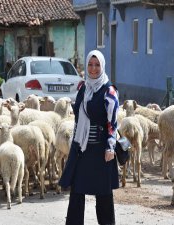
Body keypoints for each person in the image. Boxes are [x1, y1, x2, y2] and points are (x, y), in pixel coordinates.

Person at [59, 49, 119, 225]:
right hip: (82, 149)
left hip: (101, 150)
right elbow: (78, 118)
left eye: (97, 65)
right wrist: (74, 141)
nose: (93, 69)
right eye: (90, 65)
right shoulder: (83, 88)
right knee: (77, 193)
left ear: (102, 66)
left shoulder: (109, 91)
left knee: (103, 196)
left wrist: (110, 147)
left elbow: (112, 123)